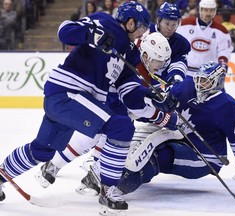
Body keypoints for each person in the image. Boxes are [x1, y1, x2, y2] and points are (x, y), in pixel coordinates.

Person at [0, 1, 179, 215]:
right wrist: (90, 34)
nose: (142, 33)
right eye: (141, 27)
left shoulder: (130, 54)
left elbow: (129, 93)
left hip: (72, 102)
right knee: (120, 127)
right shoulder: (104, 22)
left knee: (42, 150)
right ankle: (109, 189)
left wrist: (154, 97)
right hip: (67, 93)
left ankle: (1, 175)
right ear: (130, 23)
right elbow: (64, 31)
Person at [35, 2, 190, 196]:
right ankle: (64, 167)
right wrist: (164, 117)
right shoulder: (134, 60)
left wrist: (161, 96)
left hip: (112, 97)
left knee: (113, 132)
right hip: (105, 96)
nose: (159, 69)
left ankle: (92, 174)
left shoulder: (143, 59)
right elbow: (137, 106)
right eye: (158, 63)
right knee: (105, 133)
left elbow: (139, 99)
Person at [116, 61, 235, 198]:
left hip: (204, 157)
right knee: (138, 143)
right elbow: (163, 106)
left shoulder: (227, 106)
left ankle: (120, 185)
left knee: (158, 155)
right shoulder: (187, 86)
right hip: (178, 138)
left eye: (205, 82)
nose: (199, 85)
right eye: (198, 80)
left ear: (217, 83)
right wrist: (137, 110)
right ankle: (108, 173)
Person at [176, 0, 233, 75]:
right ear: (200, 10)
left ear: (215, 11)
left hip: (210, 75)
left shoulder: (221, 30)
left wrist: (223, 63)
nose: (208, 13)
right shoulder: (184, 24)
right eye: (205, 10)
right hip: (187, 73)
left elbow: (224, 50)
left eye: (211, 10)